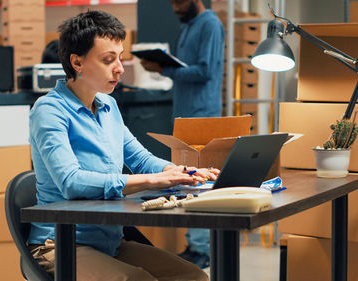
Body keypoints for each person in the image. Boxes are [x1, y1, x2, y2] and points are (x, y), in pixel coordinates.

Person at [27, 10, 218, 281]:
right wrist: (152, 181)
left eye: (120, 57)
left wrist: (180, 172)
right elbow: (71, 181)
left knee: (194, 277)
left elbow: (140, 158)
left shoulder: (108, 105)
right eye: (108, 60)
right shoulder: (49, 110)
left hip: (109, 242)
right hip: (60, 244)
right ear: (77, 62)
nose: (119, 68)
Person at [140, 0, 225, 269]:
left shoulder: (210, 23)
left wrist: (164, 69)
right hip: (187, 115)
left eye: (180, 1)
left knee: (199, 183)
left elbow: (206, 71)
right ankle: (196, 245)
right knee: (188, 181)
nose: (175, 7)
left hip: (202, 115)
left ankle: (203, 249)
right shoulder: (189, 26)